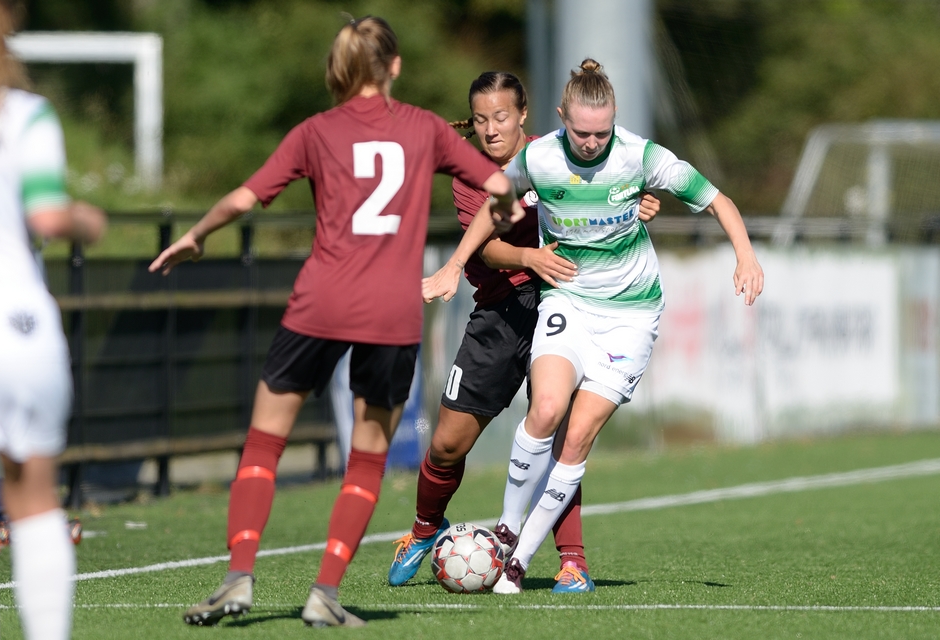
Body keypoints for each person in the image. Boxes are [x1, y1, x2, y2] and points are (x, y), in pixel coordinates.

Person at [150, 16, 522, 628]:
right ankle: (324, 591)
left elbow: (245, 197)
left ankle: (239, 575)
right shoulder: (425, 128)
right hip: (390, 312)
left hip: (320, 301)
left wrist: (197, 235)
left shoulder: (315, 131)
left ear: (341, 69)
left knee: (264, 441)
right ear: (394, 66)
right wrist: (504, 205)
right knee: (367, 459)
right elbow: (499, 182)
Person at [431, 58, 763, 594]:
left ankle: (518, 563)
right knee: (545, 409)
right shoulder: (538, 157)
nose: (591, 144)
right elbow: (494, 210)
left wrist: (745, 256)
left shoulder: (642, 156)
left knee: (576, 437)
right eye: (581, 133)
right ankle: (506, 533)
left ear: (615, 121)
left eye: (602, 133)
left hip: (631, 315)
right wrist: (453, 266)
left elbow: (717, 200)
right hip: (569, 301)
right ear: (562, 117)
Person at [388, 71, 660, 594]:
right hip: (499, 312)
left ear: (523, 116)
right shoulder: (468, 175)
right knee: (447, 443)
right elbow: (488, 248)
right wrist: (529, 257)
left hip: (566, 304)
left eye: (501, 117)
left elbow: (615, 188)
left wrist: (641, 202)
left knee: (559, 432)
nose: (491, 129)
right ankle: (425, 529)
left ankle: (572, 561)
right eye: (482, 119)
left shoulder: (553, 154)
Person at [0, 1, 107, 638]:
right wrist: (89, 220)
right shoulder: (25, 115)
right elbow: (47, 216)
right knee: (33, 500)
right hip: (14, 322)